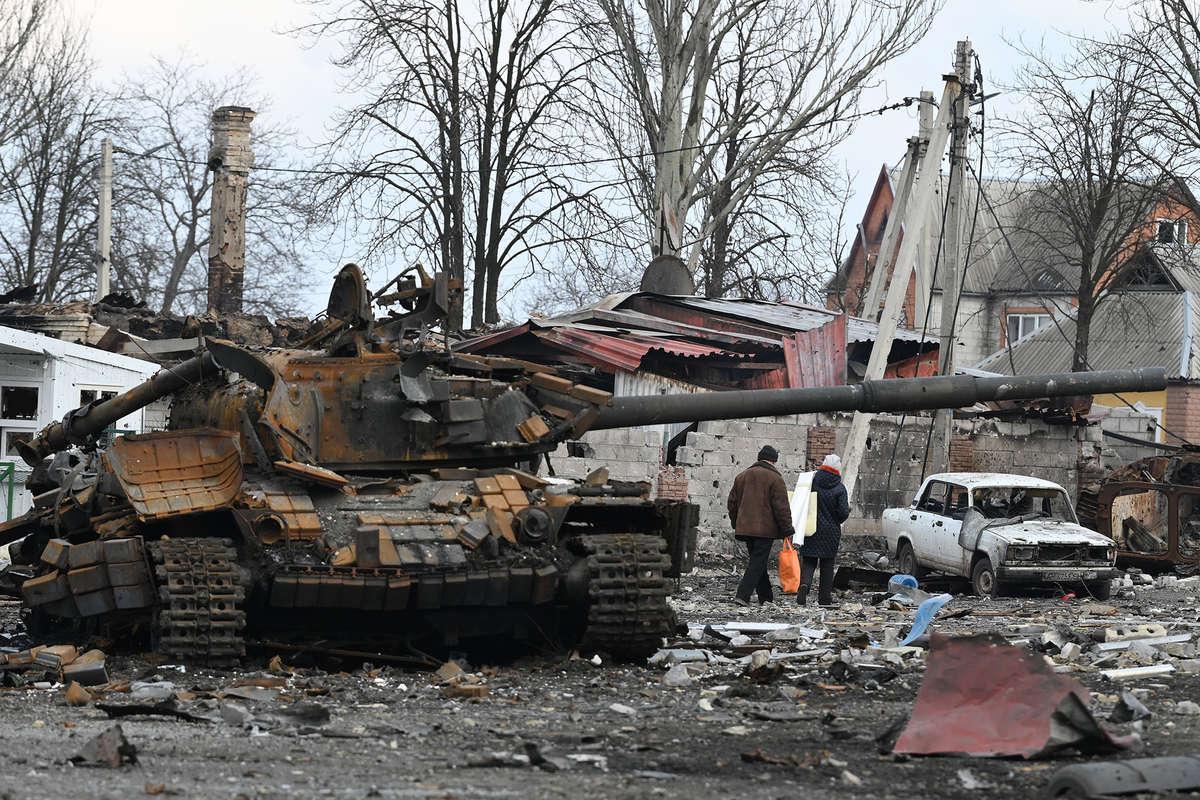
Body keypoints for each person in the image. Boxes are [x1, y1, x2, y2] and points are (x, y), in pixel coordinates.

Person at [727, 445, 795, 607]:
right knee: (757, 562)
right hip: (765, 530)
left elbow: (732, 504)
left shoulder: (741, 476)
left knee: (758, 562)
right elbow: (782, 508)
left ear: (759, 458)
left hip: (745, 528)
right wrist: (787, 529)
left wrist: (736, 523)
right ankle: (742, 595)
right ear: (774, 461)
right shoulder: (775, 479)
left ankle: (766, 597)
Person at [797, 453, 850, 607]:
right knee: (827, 565)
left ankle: (805, 585)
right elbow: (843, 513)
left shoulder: (812, 482)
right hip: (831, 532)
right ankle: (824, 599)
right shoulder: (840, 488)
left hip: (811, 528)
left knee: (809, 560)